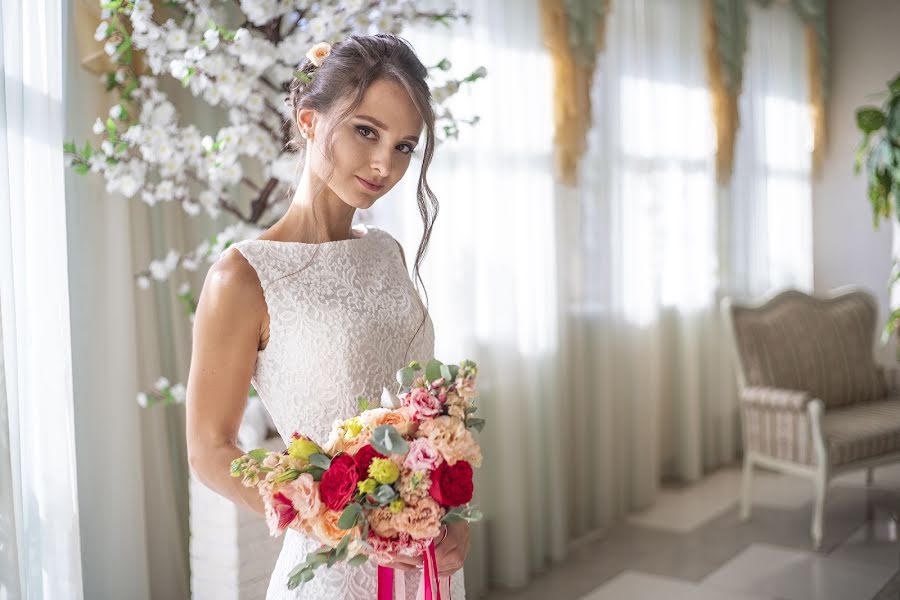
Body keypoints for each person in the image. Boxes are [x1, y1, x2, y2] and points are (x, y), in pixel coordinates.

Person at [185, 33, 470, 600]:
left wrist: (452, 508)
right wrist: (316, 511)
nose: (384, 164)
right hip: (333, 569)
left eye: (404, 146)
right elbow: (210, 449)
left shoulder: (386, 251)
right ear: (308, 118)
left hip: (428, 564)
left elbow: (429, 412)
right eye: (367, 130)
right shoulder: (241, 276)